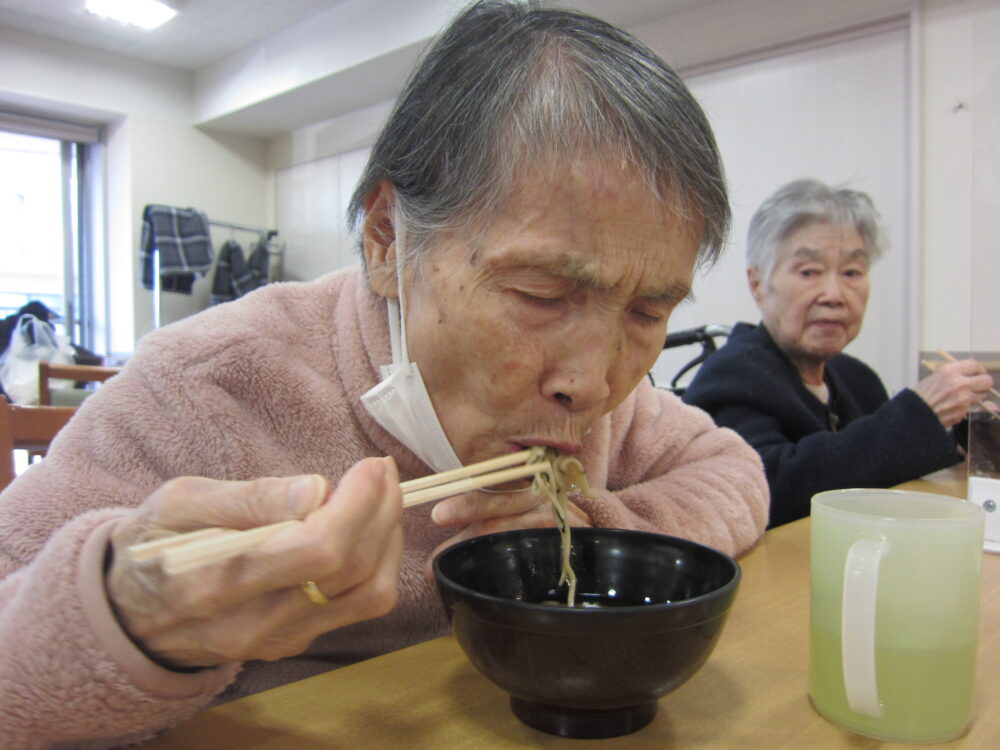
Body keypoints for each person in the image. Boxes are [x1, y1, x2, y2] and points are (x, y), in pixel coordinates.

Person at [0, 2, 768, 747]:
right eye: (542, 294)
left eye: (645, 314)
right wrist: (125, 622)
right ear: (384, 242)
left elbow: (732, 471)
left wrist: (594, 533)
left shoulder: (596, 404)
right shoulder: (206, 387)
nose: (595, 383)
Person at [683, 178, 993, 527]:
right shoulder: (732, 375)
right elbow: (765, 488)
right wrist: (919, 414)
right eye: (809, 271)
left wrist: (967, 430)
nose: (834, 293)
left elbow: (885, 473)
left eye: (851, 272)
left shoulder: (857, 377)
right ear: (758, 284)